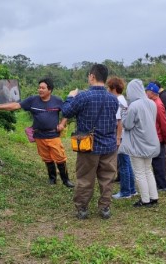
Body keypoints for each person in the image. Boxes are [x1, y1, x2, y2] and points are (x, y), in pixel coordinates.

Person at [0, 78, 74, 188]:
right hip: (39, 135)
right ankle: (52, 179)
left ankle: (66, 180)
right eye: (39, 87)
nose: (40, 90)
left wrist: (62, 124)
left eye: (43, 88)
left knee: (60, 158)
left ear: (50, 90)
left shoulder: (57, 100)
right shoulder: (32, 100)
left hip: (53, 135)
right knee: (47, 158)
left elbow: (67, 112)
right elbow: (16, 105)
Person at [62, 64, 118, 220]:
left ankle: (82, 208)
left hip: (88, 145)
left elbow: (66, 111)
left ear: (92, 76)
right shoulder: (113, 99)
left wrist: (70, 96)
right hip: (109, 145)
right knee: (107, 178)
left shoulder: (83, 96)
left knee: (85, 178)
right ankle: (105, 207)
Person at [118, 79, 160, 207]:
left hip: (138, 143)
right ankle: (154, 197)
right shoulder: (152, 103)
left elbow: (127, 124)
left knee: (140, 172)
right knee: (148, 170)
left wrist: (124, 112)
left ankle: (145, 200)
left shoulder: (134, 106)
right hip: (150, 141)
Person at [107, 76, 137, 199]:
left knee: (123, 163)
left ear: (113, 88)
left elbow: (119, 122)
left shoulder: (117, 102)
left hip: (121, 136)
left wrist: (117, 138)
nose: (107, 90)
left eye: (108, 88)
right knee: (127, 162)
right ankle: (132, 189)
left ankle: (125, 191)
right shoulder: (123, 100)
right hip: (126, 135)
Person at [145, 82, 166, 192]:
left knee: (158, 161)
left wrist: (165, 138)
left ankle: (163, 185)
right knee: (156, 161)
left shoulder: (158, 105)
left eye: (147, 91)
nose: (145, 93)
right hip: (156, 136)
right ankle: (160, 184)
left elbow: (163, 123)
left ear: (151, 92)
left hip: (158, 137)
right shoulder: (153, 102)